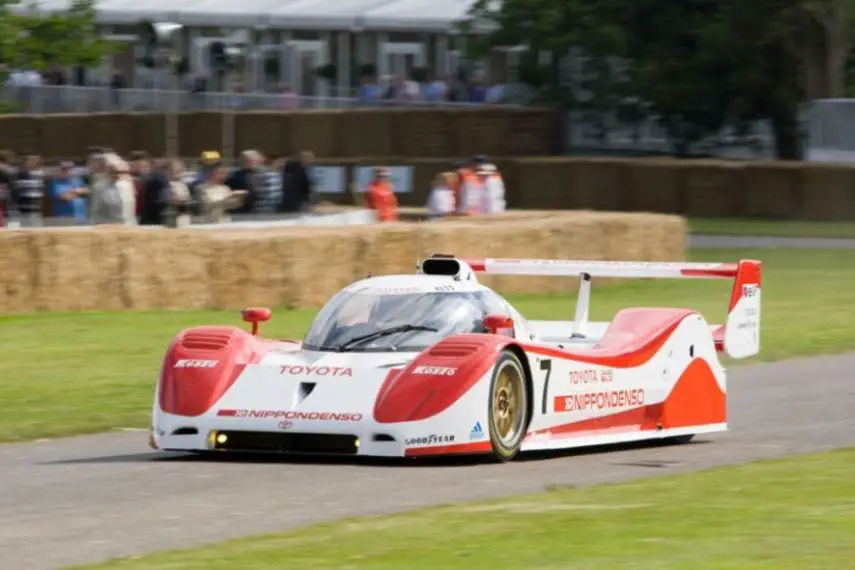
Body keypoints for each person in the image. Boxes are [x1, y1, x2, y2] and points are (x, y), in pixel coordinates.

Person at [90, 154, 136, 225]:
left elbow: (130, 210)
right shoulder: (99, 187)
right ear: (109, 171)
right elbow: (95, 210)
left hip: (128, 225)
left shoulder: (128, 185)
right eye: (115, 172)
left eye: (123, 172)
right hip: (106, 226)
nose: (118, 175)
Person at [12, 154, 46, 227]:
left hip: (36, 212)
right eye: (31, 160)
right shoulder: (18, 174)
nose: (33, 162)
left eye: (36, 160)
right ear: (25, 162)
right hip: (21, 211)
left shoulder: (41, 174)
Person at [161, 158, 194, 228]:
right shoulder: (165, 184)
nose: (176, 172)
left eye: (179, 170)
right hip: (171, 219)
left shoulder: (184, 184)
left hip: (185, 217)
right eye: (173, 170)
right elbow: (166, 199)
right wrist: (177, 200)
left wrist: (186, 201)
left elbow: (188, 199)